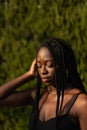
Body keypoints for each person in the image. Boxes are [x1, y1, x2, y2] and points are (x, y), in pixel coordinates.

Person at [0, 38, 87, 130]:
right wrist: (29, 75)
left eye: (50, 65)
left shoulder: (81, 103)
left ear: (64, 65)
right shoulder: (39, 95)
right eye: (39, 65)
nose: (43, 71)